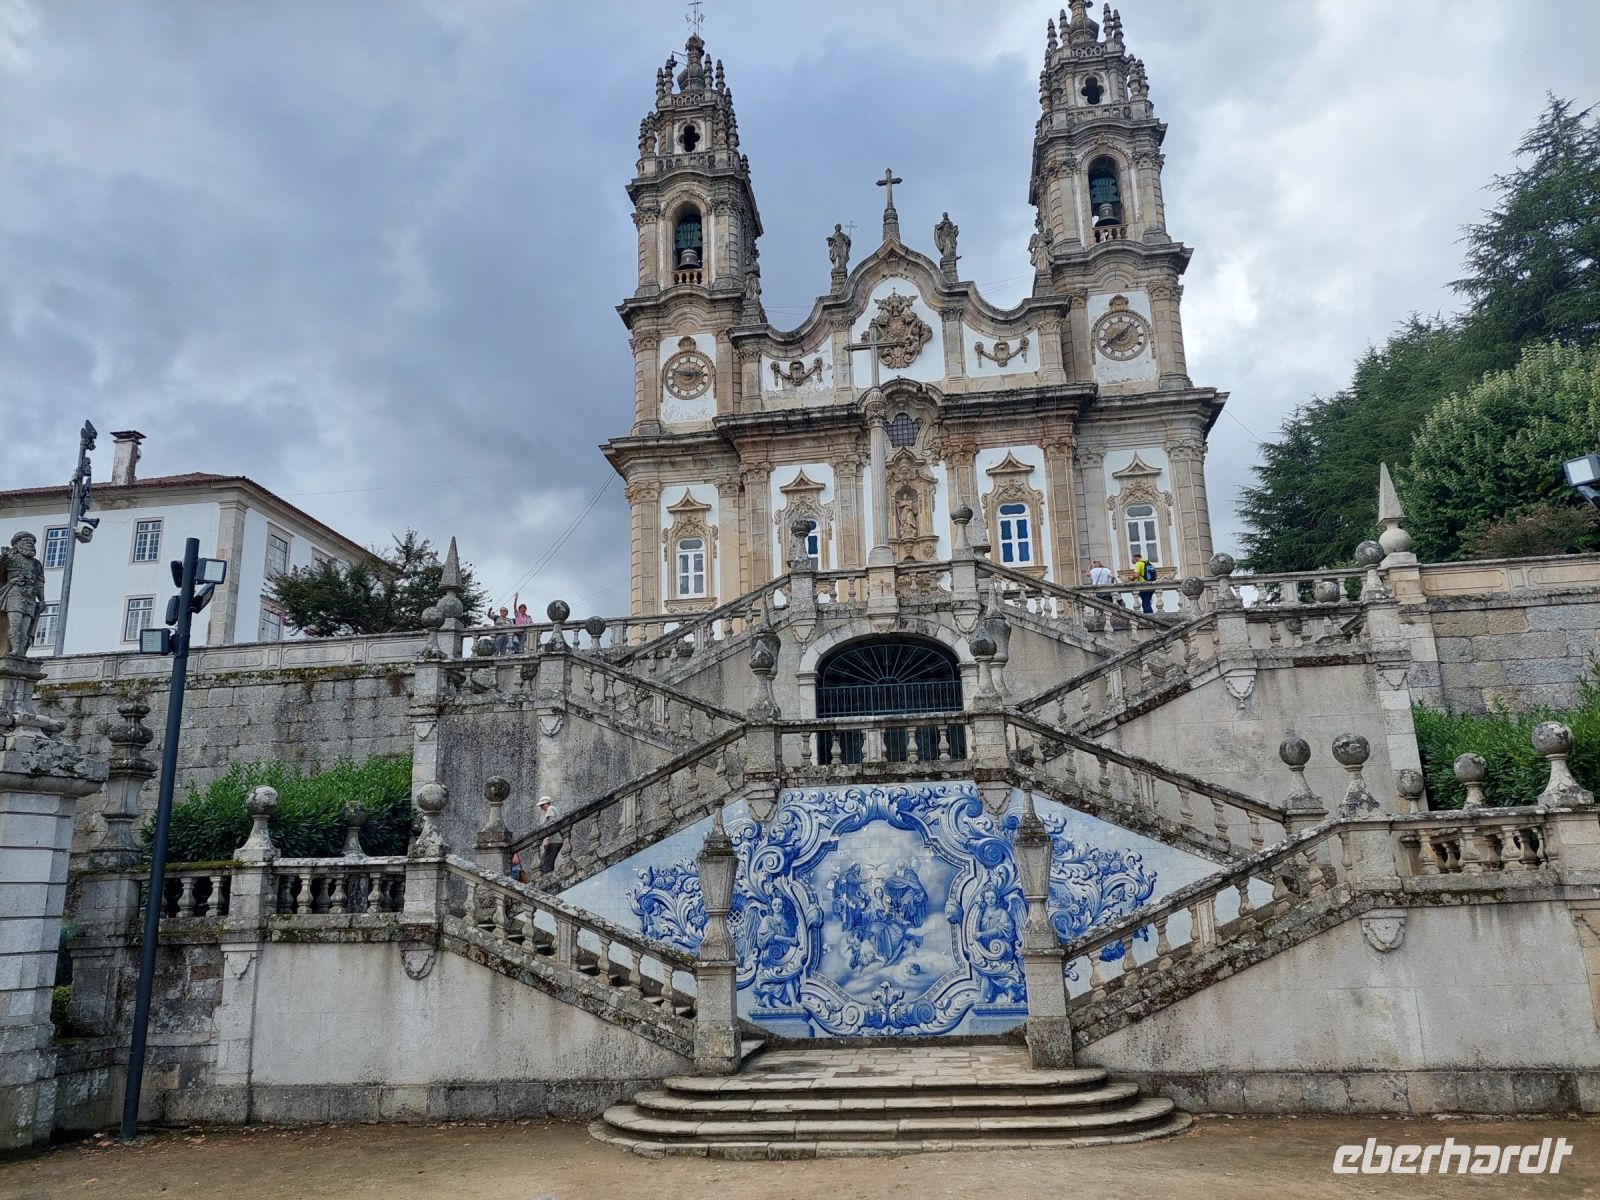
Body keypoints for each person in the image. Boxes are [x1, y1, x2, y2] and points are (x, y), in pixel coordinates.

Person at [536, 795, 562, 875]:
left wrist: (546, 839)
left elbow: (550, 824)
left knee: (547, 865)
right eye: (540, 805)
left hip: (554, 840)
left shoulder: (551, 808)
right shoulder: (553, 810)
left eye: (542, 805)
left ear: (548, 803)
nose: (541, 807)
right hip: (554, 840)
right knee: (545, 863)